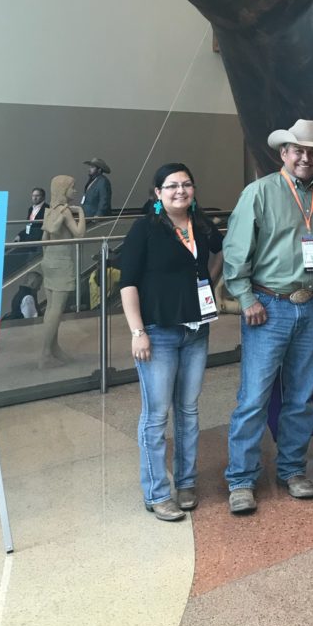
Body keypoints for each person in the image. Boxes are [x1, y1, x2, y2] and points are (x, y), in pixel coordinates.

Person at [223, 119, 313, 516]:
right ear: (284, 153)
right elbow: (236, 252)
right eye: (298, 151)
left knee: (301, 396)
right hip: (268, 307)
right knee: (254, 397)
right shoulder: (259, 193)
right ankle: (242, 479)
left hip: (311, 307)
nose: (305, 158)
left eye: (312, 152)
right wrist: (246, 299)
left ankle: (292, 470)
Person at [119, 162, 223, 522]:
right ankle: (157, 493)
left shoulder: (202, 225)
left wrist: (208, 283)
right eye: (172, 186)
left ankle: (186, 482)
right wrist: (138, 332)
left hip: (196, 331)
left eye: (186, 184)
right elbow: (128, 283)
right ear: (158, 193)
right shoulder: (145, 228)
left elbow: (218, 253)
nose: (180, 191)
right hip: (158, 333)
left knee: (189, 410)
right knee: (156, 414)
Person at [39, 175, 86, 367]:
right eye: (72, 187)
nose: (75, 191)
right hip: (62, 262)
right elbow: (80, 234)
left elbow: (44, 240)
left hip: (49, 260)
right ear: (64, 189)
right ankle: (45, 353)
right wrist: (81, 212)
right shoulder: (65, 211)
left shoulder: (51, 210)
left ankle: (53, 348)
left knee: (51, 308)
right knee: (56, 310)